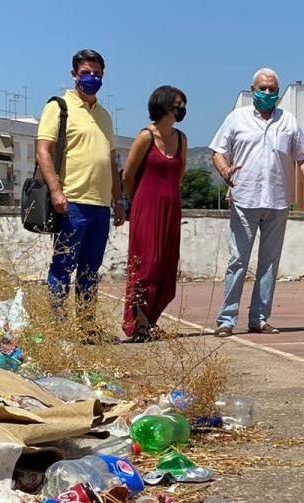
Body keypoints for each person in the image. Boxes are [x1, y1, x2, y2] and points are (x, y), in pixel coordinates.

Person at [209, 68, 304, 336]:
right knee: (238, 260)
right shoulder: (236, 119)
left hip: (277, 201)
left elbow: (303, 156)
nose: (267, 93)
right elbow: (217, 151)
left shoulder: (288, 121)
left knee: (269, 263)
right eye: (262, 88)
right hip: (244, 199)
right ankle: (226, 320)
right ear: (252, 90)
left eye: (272, 89)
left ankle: (259, 318)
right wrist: (224, 170)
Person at [36, 49, 126, 315]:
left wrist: (118, 200)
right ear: (74, 74)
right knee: (63, 265)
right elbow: (43, 150)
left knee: (90, 269)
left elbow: (111, 161)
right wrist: (56, 191)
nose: (91, 78)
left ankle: (87, 326)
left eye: (96, 74)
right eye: (86, 73)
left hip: (100, 206)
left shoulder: (105, 116)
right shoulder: (58, 107)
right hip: (71, 202)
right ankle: (58, 324)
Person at [120, 86, 188, 342]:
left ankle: (151, 320)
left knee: (166, 265)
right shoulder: (145, 137)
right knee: (145, 265)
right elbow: (128, 175)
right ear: (162, 107)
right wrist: (138, 200)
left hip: (171, 208)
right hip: (146, 206)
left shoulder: (181, 139)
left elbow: (178, 176)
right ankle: (138, 322)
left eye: (182, 105)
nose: (180, 110)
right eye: (176, 105)